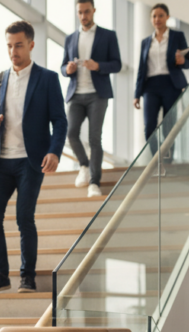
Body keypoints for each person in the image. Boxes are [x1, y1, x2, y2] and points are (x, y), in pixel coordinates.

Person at [0, 20, 68, 294]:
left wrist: (54, 151)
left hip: (30, 161)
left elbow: (60, 121)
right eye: (9, 45)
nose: (13, 51)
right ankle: (1, 274)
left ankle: (27, 277)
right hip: (0, 161)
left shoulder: (48, 78)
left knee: (24, 218)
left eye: (18, 45)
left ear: (31, 45)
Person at [61, 0, 122, 197]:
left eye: (87, 12)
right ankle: (84, 166)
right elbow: (63, 67)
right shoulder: (70, 38)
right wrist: (68, 70)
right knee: (70, 133)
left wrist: (98, 66)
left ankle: (94, 183)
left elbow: (117, 64)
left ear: (94, 11)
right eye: (80, 12)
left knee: (94, 138)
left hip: (98, 94)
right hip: (76, 94)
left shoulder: (108, 35)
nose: (83, 16)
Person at [133, 3, 189, 162]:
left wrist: (182, 60)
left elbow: (188, 63)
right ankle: (157, 159)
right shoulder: (146, 42)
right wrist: (136, 94)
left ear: (167, 17)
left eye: (160, 15)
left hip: (171, 85)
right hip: (150, 87)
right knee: (149, 127)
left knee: (169, 126)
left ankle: (168, 159)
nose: (157, 19)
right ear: (151, 19)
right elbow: (141, 69)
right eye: (154, 16)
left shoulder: (177, 37)